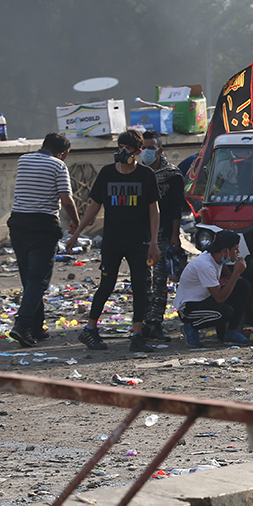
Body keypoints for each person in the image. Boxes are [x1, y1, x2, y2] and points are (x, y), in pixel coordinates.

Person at [66, 129, 161, 352]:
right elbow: (94, 206)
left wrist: (154, 242)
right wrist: (77, 232)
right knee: (106, 284)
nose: (123, 152)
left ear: (137, 152)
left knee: (140, 286)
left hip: (139, 241)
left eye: (127, 149)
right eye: (120, 148)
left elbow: (154, 211)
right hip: (113, 241)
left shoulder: (146, 176)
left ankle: (137, 334)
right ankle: (89, 330)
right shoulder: (108, 173)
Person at [7, 133, 80, 347]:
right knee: (39, 280)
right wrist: (75, 222)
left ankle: (36, 328)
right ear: (64, 152)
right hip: (42, 225)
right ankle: (22, 326)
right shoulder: (58, 166)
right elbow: (66, 200)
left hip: (18, 223)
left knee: (29, 278)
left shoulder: (24, 159)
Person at [139, 131, 186, 342]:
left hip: (162, 234)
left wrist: (175, 235)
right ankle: (141, 321)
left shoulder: (172, 175)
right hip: (140, 234)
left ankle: (155, 322)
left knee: (159, 280)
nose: (147, 152)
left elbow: (176, 209)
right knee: (141, 280)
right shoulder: (136, 173)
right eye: (144, 148)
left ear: (160, 150)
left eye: (151, 147)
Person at [173, 230, 252, 346]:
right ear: (225, 251)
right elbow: (220, 298)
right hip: (189, 307)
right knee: (225, 313)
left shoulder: (216, 257)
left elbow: (224, 268)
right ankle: (190, 326)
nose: (238, 252)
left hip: (205, 299)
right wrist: (236, 273)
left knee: (242, 285)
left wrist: (234, 276)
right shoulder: (206, 265)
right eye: (235, 249)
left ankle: (231, 332)